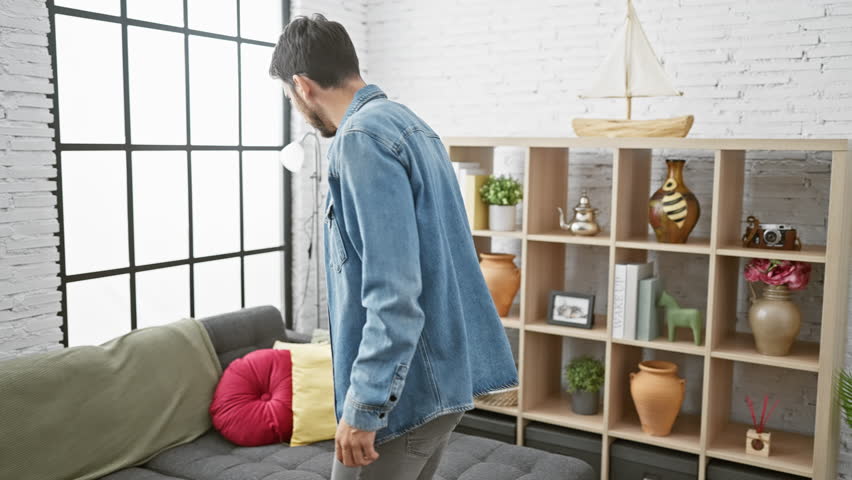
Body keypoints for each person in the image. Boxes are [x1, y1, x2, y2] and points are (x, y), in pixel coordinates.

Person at [269, 14, 518, 480]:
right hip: (441, 380)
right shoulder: (412, 125)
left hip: (403, 398)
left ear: (303, 86)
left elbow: (393, 292)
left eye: (289, 96)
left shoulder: (360, 139)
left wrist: (362, 407)